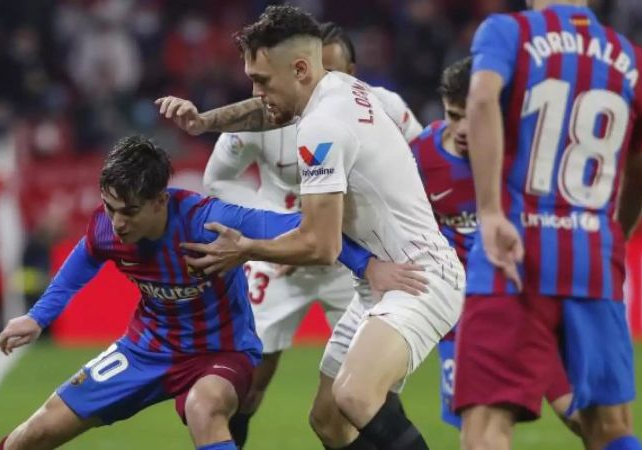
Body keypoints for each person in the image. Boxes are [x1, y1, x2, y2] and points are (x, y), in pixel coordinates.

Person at [157, 6, 464, 449]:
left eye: (262, 80)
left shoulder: (320, 129)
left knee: (354, 394)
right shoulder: (340, 86)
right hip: (377, 278)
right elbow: (267, 112)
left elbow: (321, 245)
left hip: (418, 277)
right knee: (328, 419)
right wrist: (207, 122)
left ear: (300, 69)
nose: (256, 91)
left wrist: (244, 248)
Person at [0, 135, 420, 450]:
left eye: (129, 211)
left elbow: (307, 229)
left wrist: (369, 265)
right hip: (146, 349)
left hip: (222, 351)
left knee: (204, 407)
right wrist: (38, 317)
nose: (117, 222)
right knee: (31, 436)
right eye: (109, 207)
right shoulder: (107, 227)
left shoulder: (207, 221)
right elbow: (83, 259)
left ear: (160, 200)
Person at [204, 21, 422, 448]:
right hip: (279, 256)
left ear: (353, 72)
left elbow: (421, 162)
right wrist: (277, 223)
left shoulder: (381, 107)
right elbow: (218, 179)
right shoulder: (269, 113)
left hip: (352, 261)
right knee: (248, 381)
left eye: (335, 73)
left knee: (363, 387)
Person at [456, 1, 642, 449]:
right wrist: (606, 240)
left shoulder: (508, 33)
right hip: (594, 265)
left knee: (486, 426)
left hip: (513, 257)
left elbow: (483, 97)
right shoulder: (634, 59)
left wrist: (489, 212)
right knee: (611, 428)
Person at [411, 56, 581, 436]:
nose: (463, 128)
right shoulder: (421, 156)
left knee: (582, 417)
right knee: (475, 430)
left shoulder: (525, 158)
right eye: (454, 115)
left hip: (525, 308)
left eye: (471, 114)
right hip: (462, 320)